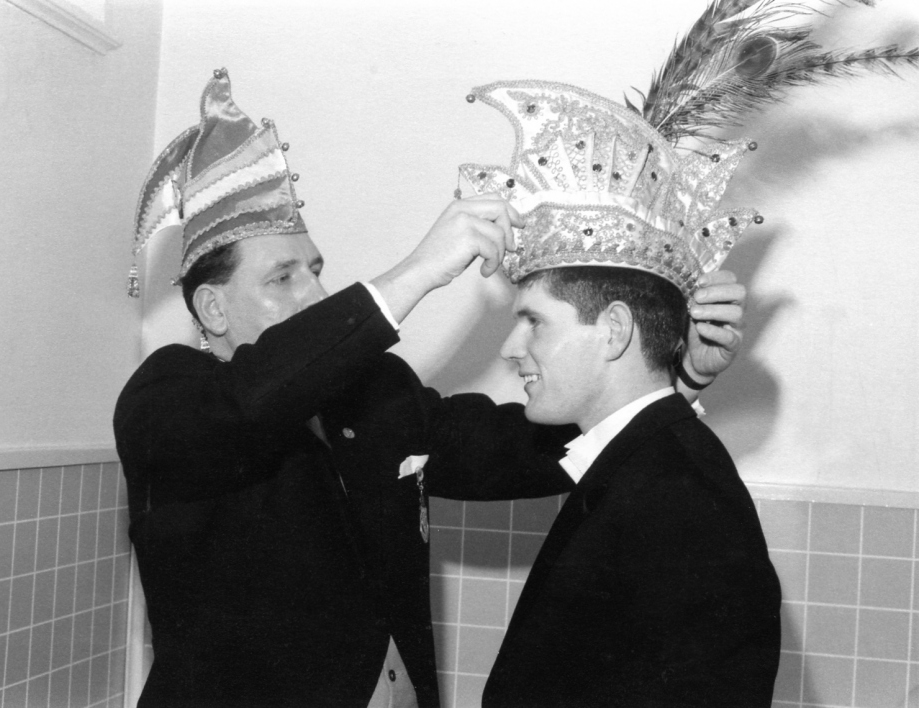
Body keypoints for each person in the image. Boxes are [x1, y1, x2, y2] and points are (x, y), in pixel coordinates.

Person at [114, 69, 746, 707]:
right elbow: (248, 405)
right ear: (213, 309)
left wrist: (674, 376)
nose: (317, 292)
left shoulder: (372, 390)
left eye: (315, 269)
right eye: (283, 278)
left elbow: (514, 449)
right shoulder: (165, 398)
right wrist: (417, 271)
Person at [431, 80, 781, 707]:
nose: (510, 347)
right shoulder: (638, 463)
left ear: (614, 330)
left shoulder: (681, 497)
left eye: (534, 320)